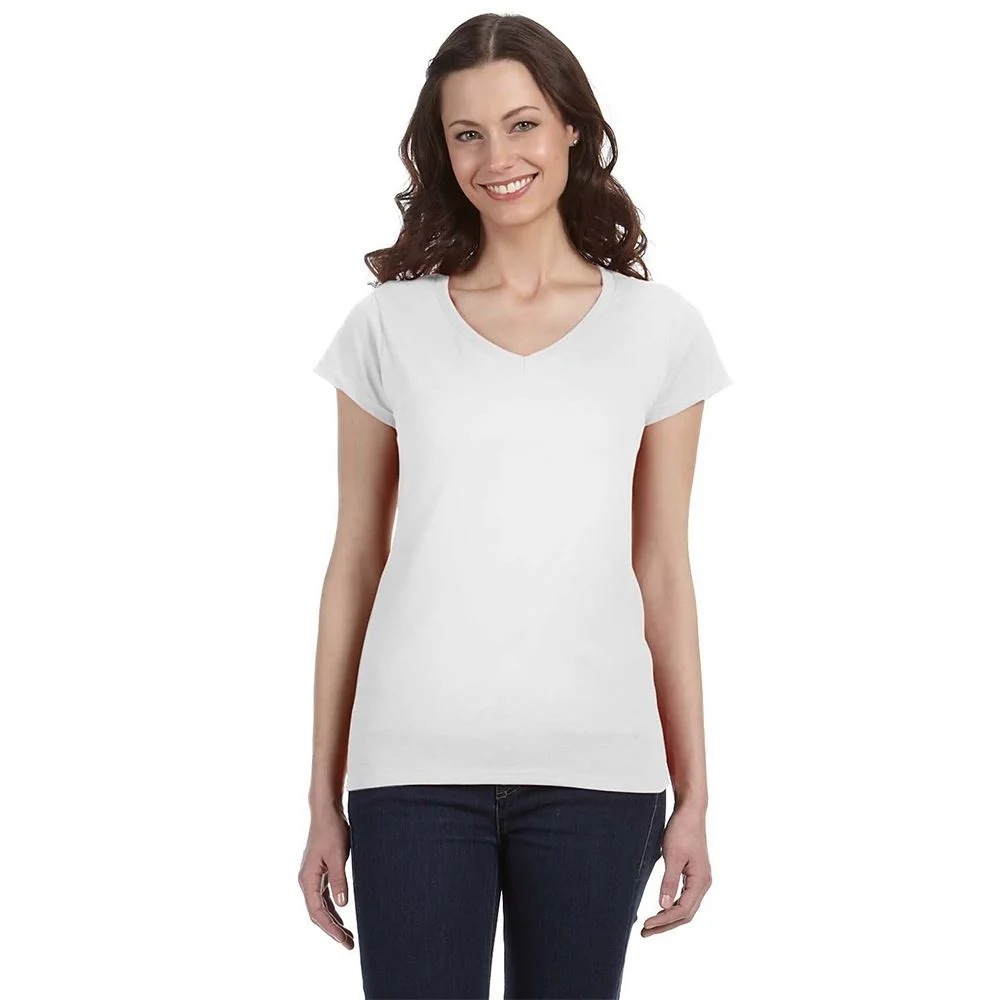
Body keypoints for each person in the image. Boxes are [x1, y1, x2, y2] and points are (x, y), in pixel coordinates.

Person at [299, 13, 733, 999]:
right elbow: (354, 560)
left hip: (600, 771)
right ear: (440, 148)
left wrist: (696, 794)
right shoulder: (387, 326)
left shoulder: (660, 330)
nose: (498, 158)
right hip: (411, 769)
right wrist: (322, 795)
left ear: (572, 127)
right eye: (468, 133)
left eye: (523, 124)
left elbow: (663, 569)